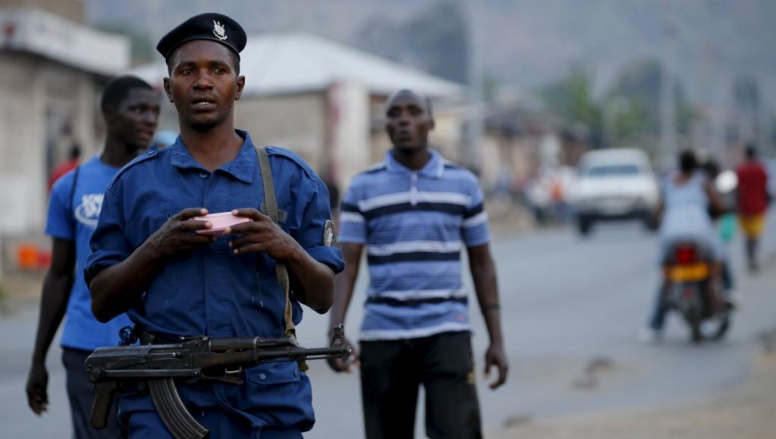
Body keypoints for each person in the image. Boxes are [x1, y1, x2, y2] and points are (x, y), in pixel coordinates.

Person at [84, 13, 343, 438]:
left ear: (238, 86)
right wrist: (157, 248)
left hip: (267, 401)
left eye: (217, 70)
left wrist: (285, 246)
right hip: (165, 399)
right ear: (169, 88)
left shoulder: (290, 179)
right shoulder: (133, 184)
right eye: (187, 71)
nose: (203, 82)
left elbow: (322, 296)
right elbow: (102, 302)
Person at [327, 89, 509, 439]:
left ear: (431, 122)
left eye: (414, 112)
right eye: (395, 114)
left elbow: (482, 264)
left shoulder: (463, 185)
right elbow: (347, 263)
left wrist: (496, 340)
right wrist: (336, 329)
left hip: (447, 333)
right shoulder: (363, 188)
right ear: (386, 125)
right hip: (383, 336)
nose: (404, 120)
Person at [26, 75, 160, 438]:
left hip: (154, 348)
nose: (149, 119)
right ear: (109, 114)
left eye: (154, 111)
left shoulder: (164, 183)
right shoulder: (69, 188)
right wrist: (38, 360)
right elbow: (59, 274)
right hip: (87, 348)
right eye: (138, 109)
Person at [641, 150, 727, 342]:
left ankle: (655, 325)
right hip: (699, 231)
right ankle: (715, 294)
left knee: (667, 275)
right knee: (718, 259)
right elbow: (717, 204)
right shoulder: (701, 180)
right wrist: (725, 210)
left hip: (671, 233)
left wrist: (653, 221)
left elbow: (659, 209)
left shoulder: (668, 181)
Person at [735, 143, 769, 273]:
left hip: (744, 207)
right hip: (758, 206)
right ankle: (753, 258)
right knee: (755, 235)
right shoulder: (761, 169)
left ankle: (750, 258)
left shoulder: (741, 170)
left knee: (747, 236)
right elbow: (765, 188)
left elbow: (737, 189)